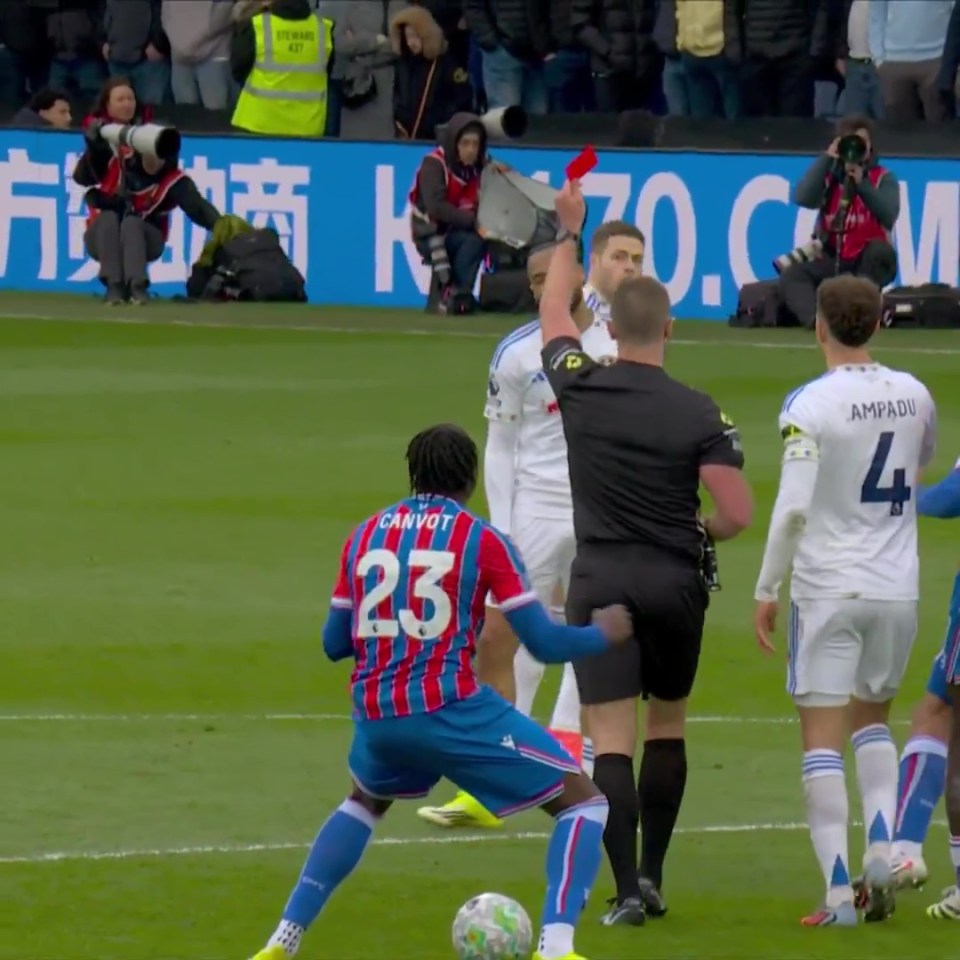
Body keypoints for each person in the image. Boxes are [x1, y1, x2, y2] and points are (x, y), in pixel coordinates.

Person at [249, 423, 633, 960]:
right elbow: (542, 643)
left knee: (363, 801)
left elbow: (334, 643)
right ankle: (557, 947)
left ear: (413, 475)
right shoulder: (482, 538)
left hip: (379, 714)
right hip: (450, 708)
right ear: (470, 479)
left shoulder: (364, 534)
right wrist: (603, 633)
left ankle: (282, 940)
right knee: (585, 805)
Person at [537, 180, 753, 927]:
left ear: (615, 328)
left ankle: (625, 889)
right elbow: (736, 513)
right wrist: (700, 532)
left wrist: (570, 234)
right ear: (669, 330)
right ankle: (657, 873)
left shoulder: (582, 386)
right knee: (668, 725)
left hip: (600, 579)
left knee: (610, 742)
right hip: (673, 581)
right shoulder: (699, 409)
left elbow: (554, 313)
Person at [753, 274, 937, 927]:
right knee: (874, 722)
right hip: (897, 587)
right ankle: (882, 847)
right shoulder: (916, 395)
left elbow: (793, 509)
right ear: (880, 324)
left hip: (829, 586)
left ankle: (838, 896)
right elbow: (916, 470)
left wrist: (766, 586)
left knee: (822, 741)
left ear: (819, 327)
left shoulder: (810, 403)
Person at [417, 242, 619, 830]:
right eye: (533, 280)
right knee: (497, 635)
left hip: (598, 510)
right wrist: (501, 526)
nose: (539, 288)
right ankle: (492, 780)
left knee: (588, 631)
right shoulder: (514, 351)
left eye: (548, 276)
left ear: (578, 274)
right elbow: (501, 444)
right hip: (533, 508)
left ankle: (571, 759)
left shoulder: (612, 342)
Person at [74, 97, 222, 304]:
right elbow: (82, 179)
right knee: (108, 218)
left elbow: (198, 208)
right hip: (102, 237)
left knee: (133, 223)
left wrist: (224, 228)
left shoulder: (174, 181)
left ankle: (138, 287)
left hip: (147, 241)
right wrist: (93, 147)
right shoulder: (117, 161)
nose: (154, 160)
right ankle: (114, 286)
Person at [778, 116, 899, 329]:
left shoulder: (883, 178)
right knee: (793, 274)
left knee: (880, 252)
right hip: (833, 256)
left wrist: (862, 184)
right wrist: (827, 158)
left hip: (866, 260)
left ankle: (858, 318)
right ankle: (818, 322)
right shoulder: (831, 177)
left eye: (861, 142)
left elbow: (889, 214)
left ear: (870, 147)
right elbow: (803, 197)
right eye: (848, 141)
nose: (855, 148)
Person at [408, 112, 491, 311]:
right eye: (465, 143)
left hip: (458, 229)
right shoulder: (434, 164)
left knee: (480, 238)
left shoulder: (481, 166)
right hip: (430, 232)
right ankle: (453, 294)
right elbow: (436, 207)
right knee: (473, 238)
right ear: (454, 143)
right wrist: (472, 221)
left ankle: (459, 297)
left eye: (475, 144)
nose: (471, 150)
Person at [231, 0, 334, 137]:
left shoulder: (258, 25)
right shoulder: (323, 28)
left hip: (259, 122)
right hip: (307, 125)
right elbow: (328, 68)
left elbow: (238, 68)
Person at [390, 3, 473, 141]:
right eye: (407, 37)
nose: (411, 42)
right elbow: (397, 94)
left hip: (438, 137)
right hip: (407, 137)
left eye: (415, 36)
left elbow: (462, 99)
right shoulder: (403, 64)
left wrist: (439, 120)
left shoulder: (447, 63)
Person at [581, 220, 646, 321]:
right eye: (619, 257)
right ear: (594, 261)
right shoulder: (569, 315)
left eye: (636, 259)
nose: (630, 267)